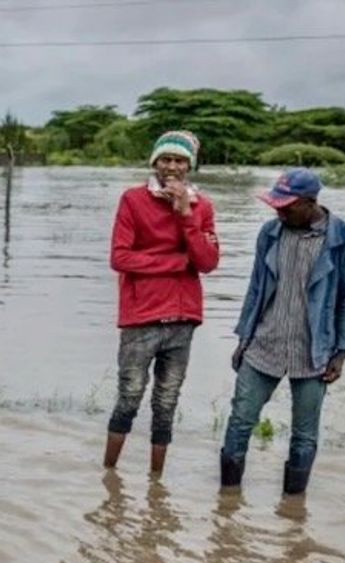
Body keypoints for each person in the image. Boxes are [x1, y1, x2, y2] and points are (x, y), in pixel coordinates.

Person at [220, 168, 345, 494]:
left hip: (314, 350)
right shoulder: (270, 233)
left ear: (310, 202)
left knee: (304, 434)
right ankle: (226, 503)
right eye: (276, 205)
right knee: (240, 421)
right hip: (264, 344)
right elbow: (255, 289)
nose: (278, 211)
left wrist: (341, 352)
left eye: (286, 206)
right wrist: (244, 339)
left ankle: (293, 509)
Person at [103, 130, 220, 474]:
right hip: (141, 318)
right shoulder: (133, 199)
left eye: (180, 161)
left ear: (189, 166)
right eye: (166, 159)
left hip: (183, 319)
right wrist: (176, 264)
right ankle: (108, 475)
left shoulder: (202, 206)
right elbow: (120, 258)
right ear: (154, 162)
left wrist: (185, 213)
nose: (172, 167)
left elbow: (208, 262)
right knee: (129, 397)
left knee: (167, 403)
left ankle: (157, 483)